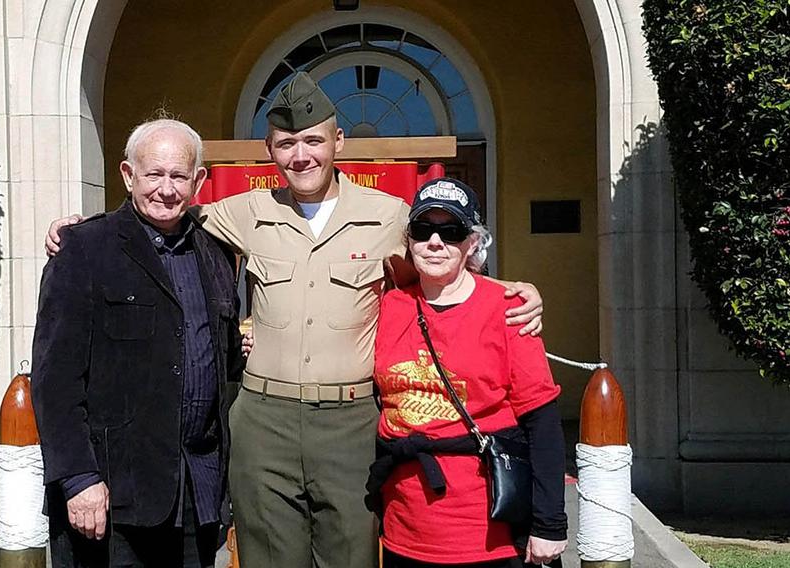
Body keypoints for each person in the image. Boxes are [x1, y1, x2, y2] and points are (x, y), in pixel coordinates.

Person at [45, 73, 544, 568]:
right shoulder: (242, 212)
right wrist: (78, 227)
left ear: (338, 142)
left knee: (350, 555)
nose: (300, 155)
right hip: (265, 423)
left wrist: (513, 292)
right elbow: (157, 212)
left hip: (350, 422)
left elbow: (445, 268)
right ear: (270, 150)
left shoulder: (391, 216)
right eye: (286, 144)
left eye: (313, 141)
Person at [32, 120, 244, 568]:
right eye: (154, 174)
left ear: (198, 182)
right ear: (129, 175)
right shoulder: (84, 249)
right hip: (111, 496)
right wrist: (77, 478)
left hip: (196, 490)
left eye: (179, 176)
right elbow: (55, 379)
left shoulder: (219, 255)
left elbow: (225, 369)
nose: (166, 189)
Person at [364, 178, 567, 568]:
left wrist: (549, 524)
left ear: (472, 243)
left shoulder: (508, 310)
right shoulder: (391, 305)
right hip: (405, 530)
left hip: (488, 534)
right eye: (424, 231)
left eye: (452, 231)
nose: (436, 242)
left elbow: (542, 424)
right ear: (409, 240)